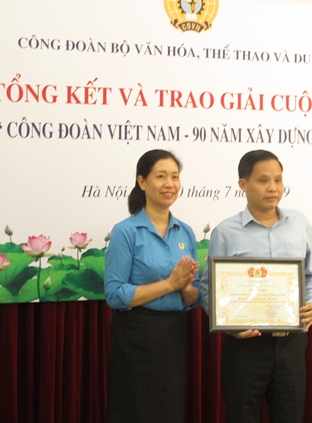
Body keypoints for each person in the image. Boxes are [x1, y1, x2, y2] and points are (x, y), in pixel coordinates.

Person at [200, 149, 312, 423]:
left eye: (278, 180)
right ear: (243, 184)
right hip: (245, 348)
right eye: (263, 180)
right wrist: (228, 325)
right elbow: (207, 287)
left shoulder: (299, 223)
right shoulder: (225, 232)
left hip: (291, 344)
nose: (273, 188)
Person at [104, 149, 200, 423]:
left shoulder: (185, 232)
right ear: (142, 182)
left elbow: (193, 297)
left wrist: (185, 287)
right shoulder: (126, 231)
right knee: (136, 410)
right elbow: (115, 294)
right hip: (135, 333)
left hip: (173, 335)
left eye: (175, 177)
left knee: (169, 410)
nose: (170, 184)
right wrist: (170, 283)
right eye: (161, 176)